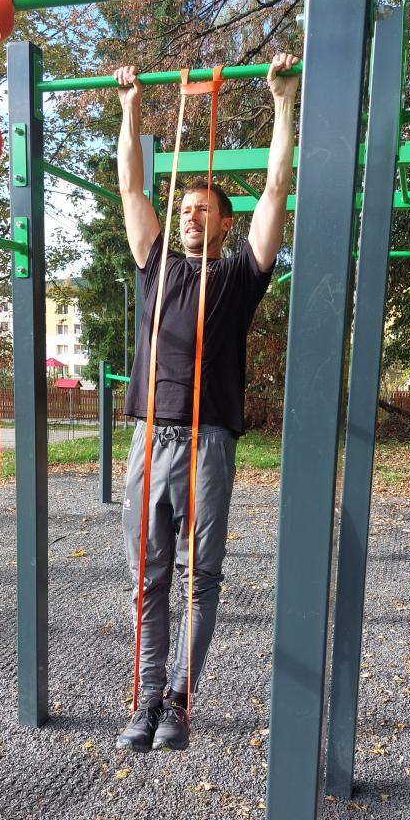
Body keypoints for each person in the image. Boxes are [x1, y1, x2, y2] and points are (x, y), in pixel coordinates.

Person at [114, 53, 300, 753]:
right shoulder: (155, 264)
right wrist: (130, 107)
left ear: (225, 224)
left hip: (209, 442)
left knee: (201, 579)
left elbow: (277, 188)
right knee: (148, 578)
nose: (192, 216)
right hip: (150, 437)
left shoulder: (241, 274)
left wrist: (283, 101)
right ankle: (146, 698)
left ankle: (180, 702)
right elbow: (132, 185)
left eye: (205, 210)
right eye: (186, 209)